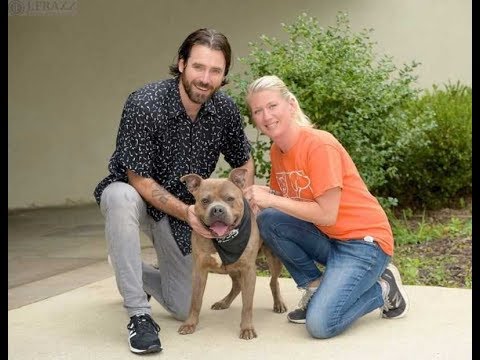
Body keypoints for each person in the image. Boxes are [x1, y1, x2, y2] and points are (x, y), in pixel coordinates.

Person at [93, 28, 254, 354]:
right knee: (119, 195)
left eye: (215, 71)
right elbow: (138, 179)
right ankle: (138, 315)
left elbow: (245, 162)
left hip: (185, 212)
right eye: (199, 67)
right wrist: (189, 213)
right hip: (142, 199)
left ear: (223, 75)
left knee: (183, 308)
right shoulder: (144, 104)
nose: (205, 78)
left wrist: (240, 204)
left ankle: (129, 269)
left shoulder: (223, 110)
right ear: (181, 64)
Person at [243, 75, 409, 339]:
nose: (266, 116)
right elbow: (294, 199)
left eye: (272, 106)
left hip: (364, 245)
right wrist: (268, 194)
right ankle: (314, 286)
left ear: (291, 106)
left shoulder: (319, 144)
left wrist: (272, 199)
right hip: (329, 240)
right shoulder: (278, 151)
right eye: (258, 110)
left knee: (321, 325)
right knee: (270, 219)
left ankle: (384, 288)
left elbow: (327, 214)